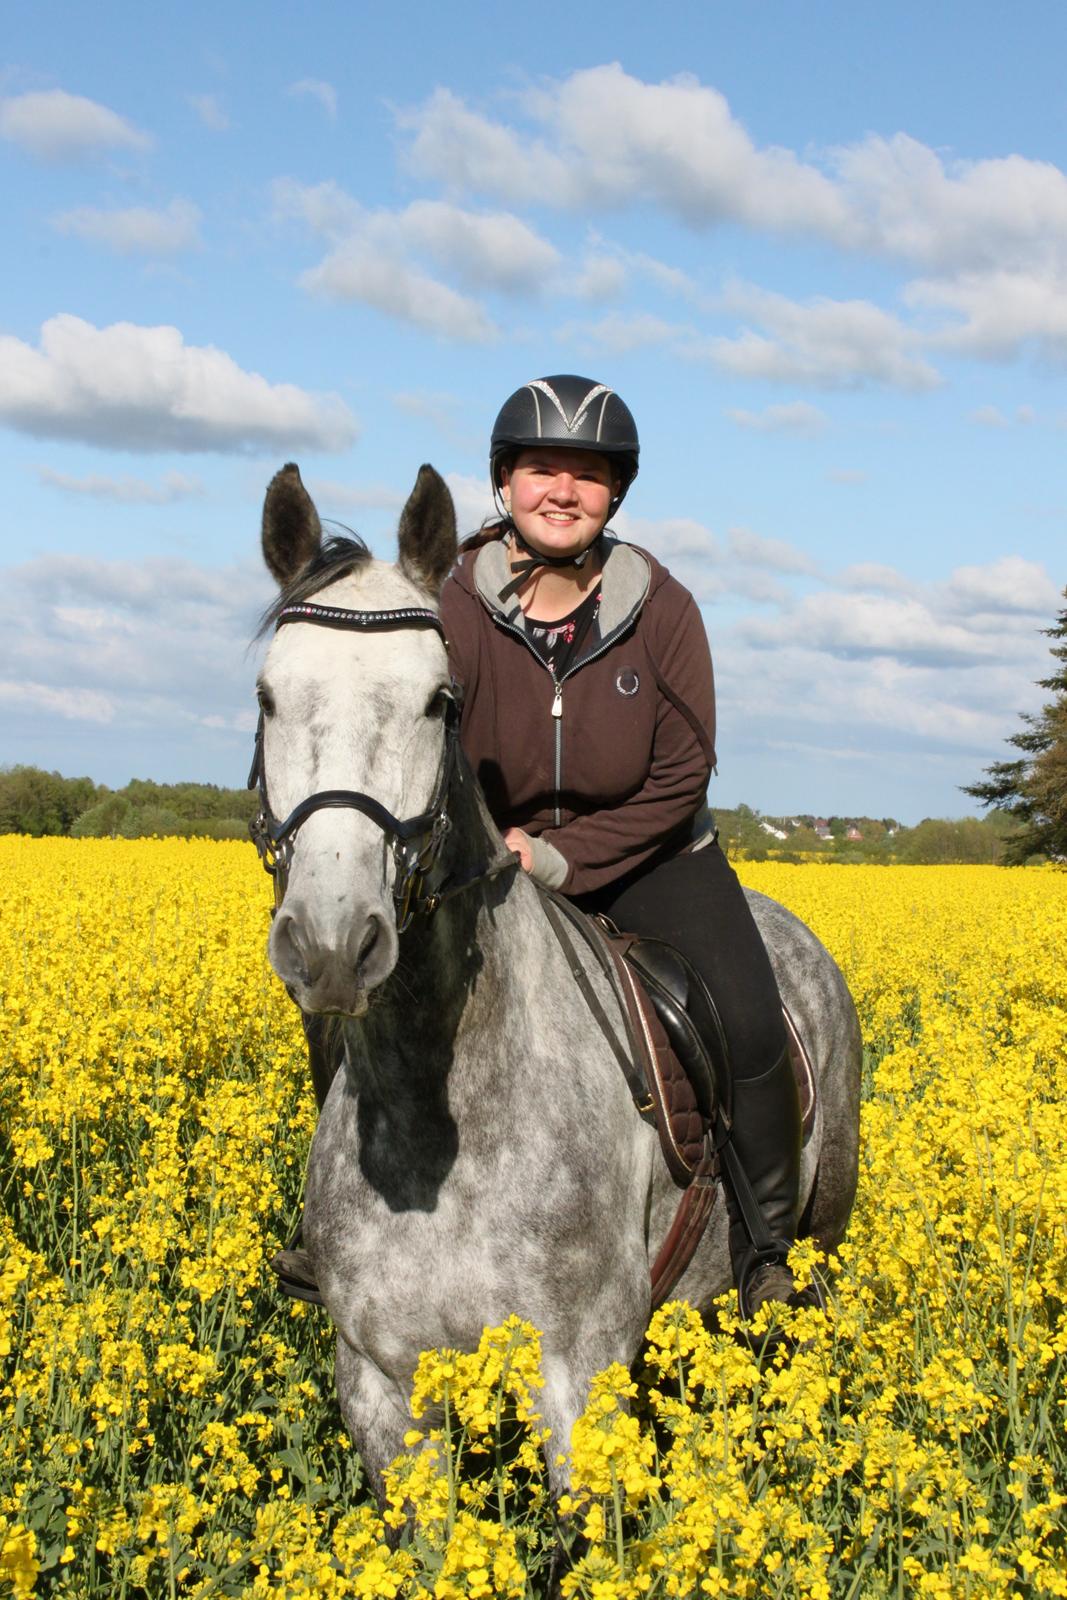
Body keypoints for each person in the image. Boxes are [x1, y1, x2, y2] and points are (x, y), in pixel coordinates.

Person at [438, 374, 815, 1318]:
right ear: (503, 482)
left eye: (588, 473)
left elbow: (682, 772)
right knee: (368, 984)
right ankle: (338, 1226)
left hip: (654, 858)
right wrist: (493, 847)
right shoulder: (450, 600)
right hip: (492, 860)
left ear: (616, 493)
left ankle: (768, 1251)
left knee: (748, 1018)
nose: (562, 490)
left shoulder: (663, 607)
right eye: (540, 469)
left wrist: (559, 859)